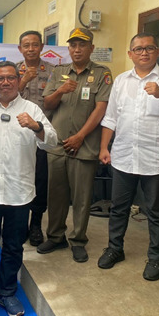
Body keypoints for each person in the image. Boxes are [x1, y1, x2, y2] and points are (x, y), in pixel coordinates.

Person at [0, 61, 57, 316]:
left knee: (14, 246)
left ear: (18, 80)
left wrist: (36, 126)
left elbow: (52, 141)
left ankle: (7, 292)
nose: (5, 82)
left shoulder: (32, 109)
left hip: (19, 191)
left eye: (10, 78)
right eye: (0, 78)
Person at [97, 33, 159, 281]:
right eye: (138, 49)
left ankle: (156, 258)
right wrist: (104, 147)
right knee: (119, 209)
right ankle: (115, 249)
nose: (144, 52)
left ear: (157, 51)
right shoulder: (121, 81)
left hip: (155, 159)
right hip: (124, 156)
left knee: (156, 212)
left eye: (149, 48)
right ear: (130, 54)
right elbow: (111, 117)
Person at [37, 27, 112, 264]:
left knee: (81, 198)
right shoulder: (59, 72)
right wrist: (60, 90)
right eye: (73, 45)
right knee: (56, 195)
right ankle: (55, 236)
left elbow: (101, 108)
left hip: (84, 145)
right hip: (58, 144)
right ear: (68, 49)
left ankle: (78, 240)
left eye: (82, 45)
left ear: (91, 48)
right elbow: (48, 104)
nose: (77, 49)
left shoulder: (101, 73)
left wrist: (80, 136)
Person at [15, 30, 54, 246]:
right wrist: (23, 81)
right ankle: (20, 223)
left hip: (40, 134)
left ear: (41, 47)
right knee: (19, 179)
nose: (31, 49)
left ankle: (36, 224)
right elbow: (6, 97)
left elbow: (54, 103)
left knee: (40, 181)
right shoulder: (13, 70)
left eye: (35, 45)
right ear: (20, 48)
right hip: (17, 134)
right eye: (26, 45)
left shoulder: (52, 71)